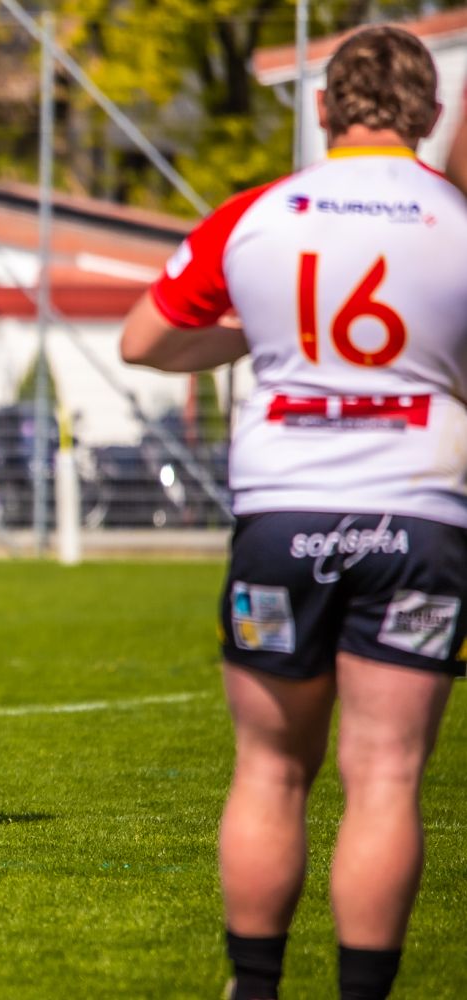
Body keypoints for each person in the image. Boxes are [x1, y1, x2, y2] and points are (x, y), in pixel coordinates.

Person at [120, 27, 467, 1000]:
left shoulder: (257, 215)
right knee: (387, 775)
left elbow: (145, 339)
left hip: (282, 514)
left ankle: (256, 986)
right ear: (430, 114)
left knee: (269, 769)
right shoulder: (456, 219)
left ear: (321, 109)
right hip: (417, 513)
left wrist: (264, 340)